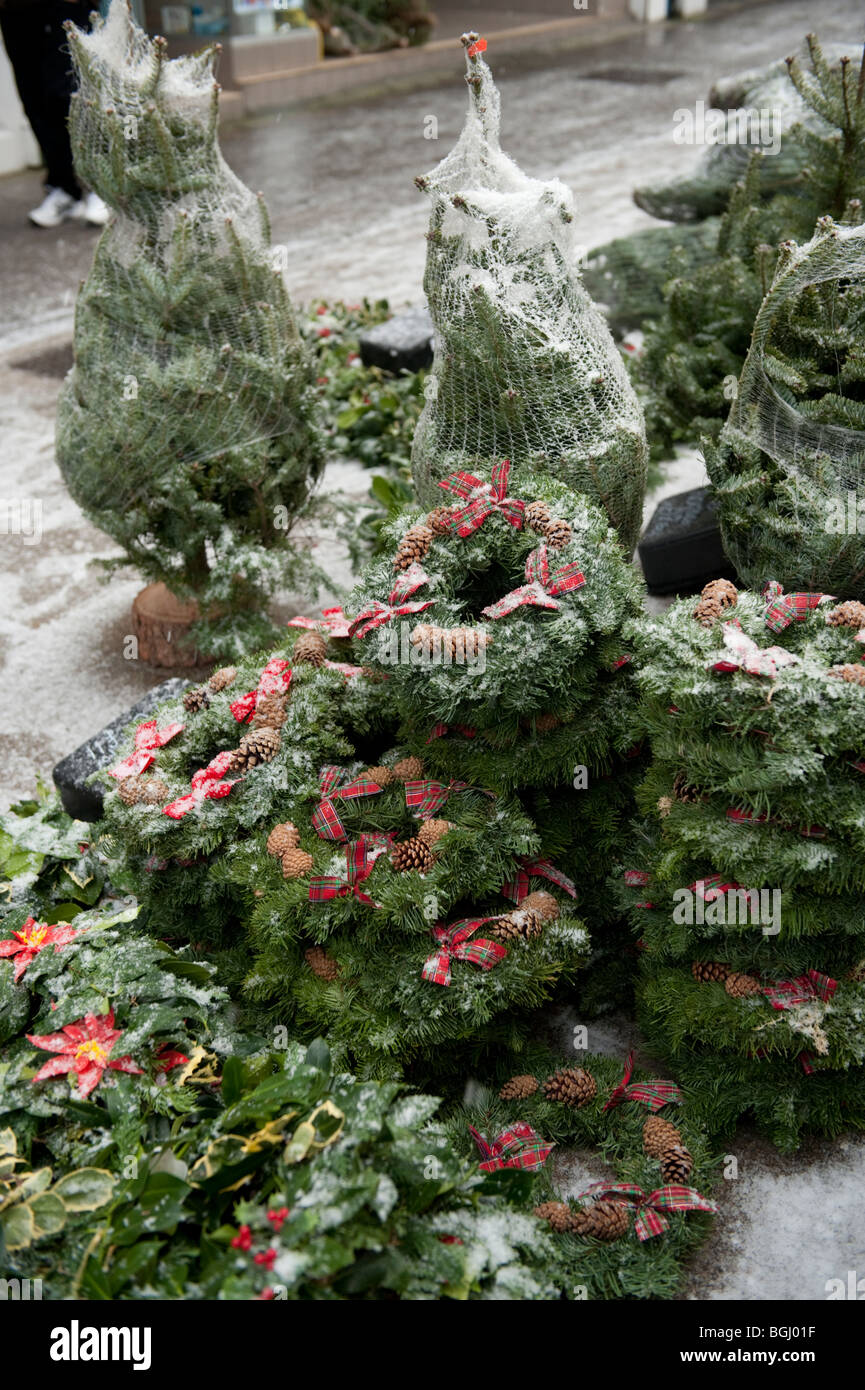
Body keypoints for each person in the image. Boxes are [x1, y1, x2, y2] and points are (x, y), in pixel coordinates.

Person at [0, 0, 110, 227]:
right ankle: (64, 189)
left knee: (75, 92)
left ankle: (101, 187)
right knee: (35, 99)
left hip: (67, 6)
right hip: (16, 10)